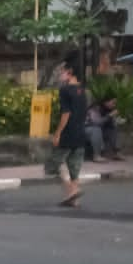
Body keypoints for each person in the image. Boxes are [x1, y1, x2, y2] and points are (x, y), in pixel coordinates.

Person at [48, 58, 89, 207]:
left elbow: (66, 114)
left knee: (54, 164)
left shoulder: (65, 90)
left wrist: (58, 133)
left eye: (62, 71)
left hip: (68, 132)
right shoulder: (82, 90)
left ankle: (72, 191)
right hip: (80, 132)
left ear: (70, 72)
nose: (60, 74)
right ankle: (75, 200)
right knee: (74, 166)